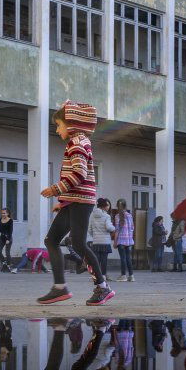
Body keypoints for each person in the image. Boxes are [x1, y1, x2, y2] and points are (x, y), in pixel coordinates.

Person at [35, 102, 111, 306]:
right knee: (52, 240)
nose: (57, 129)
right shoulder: (80, 141)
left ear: (71, 125)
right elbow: (79, 178)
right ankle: (60, 288)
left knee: (77, 243)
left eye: (59, 125)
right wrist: (64, 202)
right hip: (76, 201)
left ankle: (102, 287)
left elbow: (79, 174)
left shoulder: (77, 143)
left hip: (81, 201)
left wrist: (56, 190)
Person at [87, 197, 116, 283]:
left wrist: (95, 235)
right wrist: (114, 228)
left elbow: (90, 229)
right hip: (105, 242)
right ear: (103, 206)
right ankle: (103, 276)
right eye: (107, 205)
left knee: (96, 260)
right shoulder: (106, 216)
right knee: (104, 260)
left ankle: (95, 276)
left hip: (96, 241)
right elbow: (109, 227)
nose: (108, 207)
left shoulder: (92, 215)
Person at [113, 199, 135, 282]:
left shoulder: (117, 216)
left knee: (123, 258)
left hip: (121, 240)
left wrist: (115, 242)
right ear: (125, 206)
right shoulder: (129, 215)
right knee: (128, 258)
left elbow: (117, 230)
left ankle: (123, 275)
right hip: (128, 240)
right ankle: (131, 276)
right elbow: (132, 228)